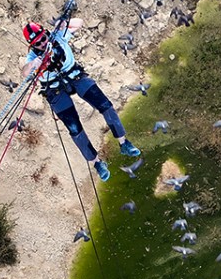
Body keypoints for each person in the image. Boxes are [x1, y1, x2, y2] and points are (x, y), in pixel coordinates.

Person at [21, 18, 139, 181]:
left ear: (45, 33)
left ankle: (123, 143)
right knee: (75, 129)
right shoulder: (33, 56)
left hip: (75, 75)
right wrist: (35, 63)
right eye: (38, 43)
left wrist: (61, 23)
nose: (42, 43)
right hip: (54, 89)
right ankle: (97, 163)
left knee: (106, 106)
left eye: (42, 38)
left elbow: (79, 22)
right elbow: (25, 72)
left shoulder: (57, 36)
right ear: (33, 46)